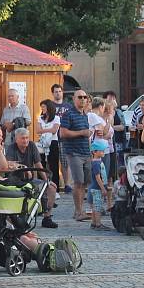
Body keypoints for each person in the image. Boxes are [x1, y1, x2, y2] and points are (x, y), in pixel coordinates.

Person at [6, 128, 59, 228]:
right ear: (16, 139)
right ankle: (21, 219)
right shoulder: (11, 148)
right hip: (15, 180)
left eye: (27, 138)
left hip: (29, 179)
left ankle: (47, 217)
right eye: (22, 138)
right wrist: (24, 168)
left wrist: (46, 180)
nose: (25, 140)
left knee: (52, 188)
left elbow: (38, 164)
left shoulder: (31, 145)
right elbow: (9, 164)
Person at [60, 89, 93, 222]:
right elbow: (63, 133)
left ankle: (79, 211)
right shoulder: (68, 114)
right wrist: (81, 133)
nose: (83, 99)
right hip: (74, 153)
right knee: (78, 182)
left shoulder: (84, 115)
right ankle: (79, 211)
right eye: (80, 97)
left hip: (86, 152)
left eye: (85, 97)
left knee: (84, 182)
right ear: (74, 99)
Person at [51, 84, 72, 192]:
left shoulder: (68, 106)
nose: (58, 93)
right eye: (56, 91)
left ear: (62, 92)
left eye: (59, 91)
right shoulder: (50, 106)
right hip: (52, 139)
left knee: (65, 162)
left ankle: (67, 184)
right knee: (53, 163)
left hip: (65, 138)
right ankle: (55, 185)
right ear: (52, 93)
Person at [37, 99, 60, 191]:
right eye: (41, 107)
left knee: (53, 165)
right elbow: (38, 130)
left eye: (44, 106)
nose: (42, 108)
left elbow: (55, 130)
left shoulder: (56, 118)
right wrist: (48, 130)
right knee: (41, 163)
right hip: (42, 142)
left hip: (53, 142)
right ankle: (41, 186)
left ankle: (55, 187)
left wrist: (44, 130)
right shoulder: (40, 118)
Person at [88, 140, 110, 230]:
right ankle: (98, 224)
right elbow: (98, 177)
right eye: (101, 151)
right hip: (97, 188)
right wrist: (103, 188)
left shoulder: (97, 162)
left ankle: (93, 222)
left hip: (95, 188)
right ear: (94, 152)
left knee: (95, 206)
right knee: (98, 207)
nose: (103, 152)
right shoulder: (96, 163)